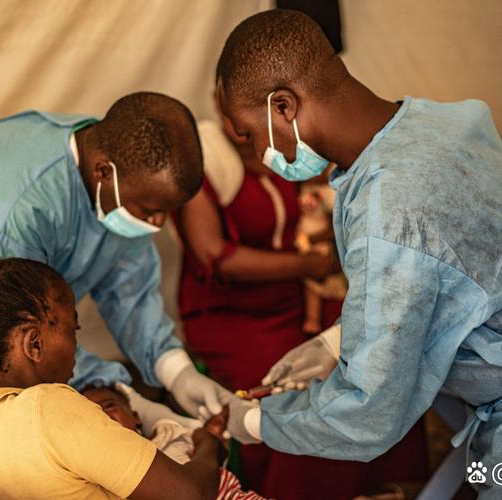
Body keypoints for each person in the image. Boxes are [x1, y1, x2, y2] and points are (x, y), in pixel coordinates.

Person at [217, 10, 502, 499]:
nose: (258, 155)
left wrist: (256, 422)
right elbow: (458, 269)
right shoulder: (434, 121)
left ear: (284, 106)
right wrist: (336, 342)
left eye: (250, 136)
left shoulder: (390, 208)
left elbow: (369, 412)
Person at [0, 92, 231, 498]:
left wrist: (174, 368)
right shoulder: (12, 208)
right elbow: (24, 333)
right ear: (104, 171)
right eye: (149, 210)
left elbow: (128, 285)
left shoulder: (124, 171)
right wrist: (127, 396)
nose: (157, 223)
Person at [174, 111, 427, 498]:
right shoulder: (205, 161)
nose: (240, 131)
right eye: (229, 117)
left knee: (377, 351)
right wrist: (306, 265)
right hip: (231, 313)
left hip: (295, 298)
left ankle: (384, 482)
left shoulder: (279, 156)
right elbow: (214, 256)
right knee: (287, 392)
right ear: (217, 107)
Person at [0, 257, 225, 500]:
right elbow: (190, 493)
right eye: (72, 331)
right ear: (35, 344)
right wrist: (209, 443)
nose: (75, 348)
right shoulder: (50, 408)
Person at [84, 386, 265, 499]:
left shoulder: (168, 433)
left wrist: (218, 424)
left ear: (136, 416)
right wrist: (208, 441)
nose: (103, 416)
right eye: (93, 415)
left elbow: (212, 437)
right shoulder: (101, 478)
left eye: (109, 406)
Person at [294, 171, 347, 334]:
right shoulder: (300, 185)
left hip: (320, 243)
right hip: (302, 239)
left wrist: (313, 239)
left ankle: (314, 319)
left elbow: (338, 223)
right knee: (309, 284)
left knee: (315, 282)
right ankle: (312, 319)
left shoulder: (329, 192)